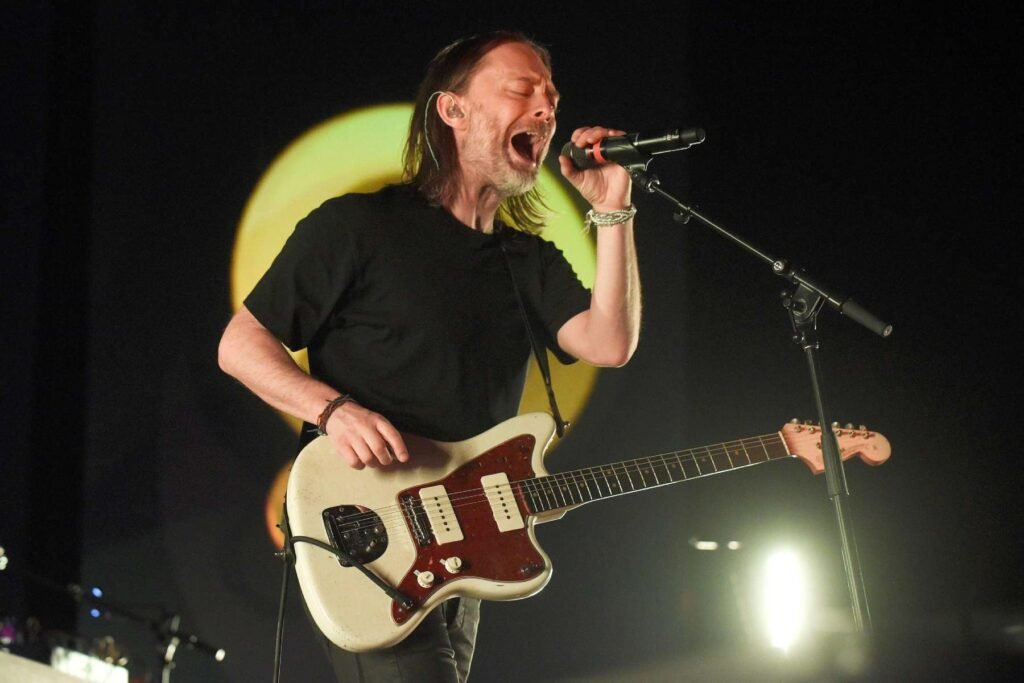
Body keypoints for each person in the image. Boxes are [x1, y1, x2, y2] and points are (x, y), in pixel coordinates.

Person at [218, 30, 641, 683]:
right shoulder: (359, 227)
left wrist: (615, 211)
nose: (546, 108)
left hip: (463, 544)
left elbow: (610, 342)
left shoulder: (527, 258)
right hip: (365, 528)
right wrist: (331, 410)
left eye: (551, 97)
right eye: (521, 89)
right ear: (454, 110)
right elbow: (240, 343)